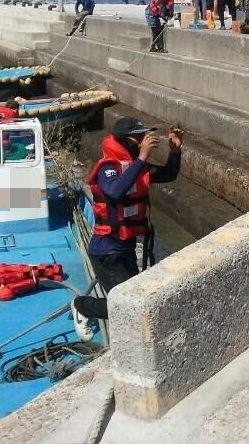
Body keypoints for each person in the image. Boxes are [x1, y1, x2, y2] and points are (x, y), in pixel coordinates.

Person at [70, 118, 182, 336]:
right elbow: (113, 191)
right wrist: (141, 158)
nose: (143, 140)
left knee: (135, 298)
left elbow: (168, 174)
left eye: (144, 136)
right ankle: (82, 306)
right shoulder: (108, 168)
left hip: (127, 246)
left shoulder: (136, 166)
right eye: (138, 136)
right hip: (107, 250)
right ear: (126, 140)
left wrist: (175, 151)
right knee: (125, 306)